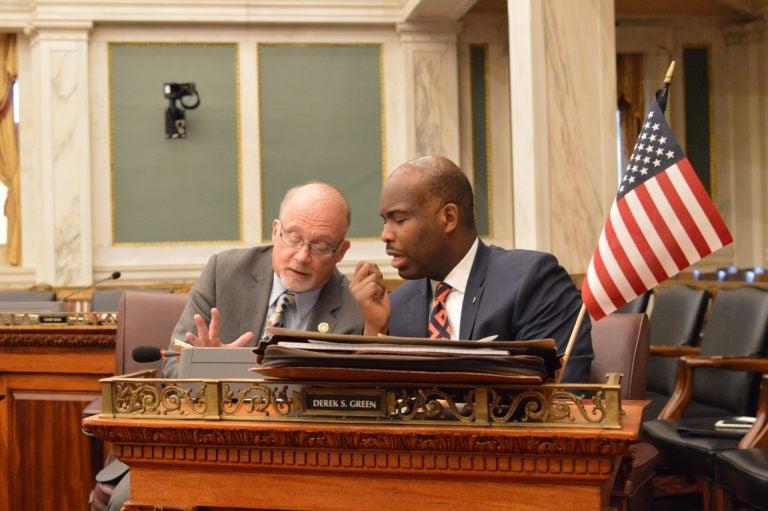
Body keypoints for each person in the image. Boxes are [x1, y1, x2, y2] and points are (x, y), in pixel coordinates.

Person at [100, 182, 364, 511]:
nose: (302, 256)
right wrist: (205, 365)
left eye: (321, 246)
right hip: (200, 445)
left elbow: (340, 404)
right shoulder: (224, 272)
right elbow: (170, 368)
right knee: (128, 501)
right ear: (276, 230)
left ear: (341, 252)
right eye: (293, 238)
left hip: (295, 457)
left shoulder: (352, 309)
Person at [350, 155, 593, 383]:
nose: (385, 235)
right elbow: (374, 409)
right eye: (385, 221)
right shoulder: (397, 306)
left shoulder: (532, 280)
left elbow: (563, 393)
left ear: (448, 218)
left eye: (399, 220)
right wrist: (374, 330)